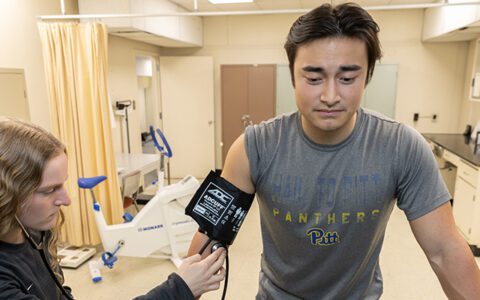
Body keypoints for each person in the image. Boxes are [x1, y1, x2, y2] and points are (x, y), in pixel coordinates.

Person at [188, 2, 480, 299]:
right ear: (292, 76)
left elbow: (445, 251)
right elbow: (210, 237)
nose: (330, 96)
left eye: (347, 78)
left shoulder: (402, 147)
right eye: (314, 78)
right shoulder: (253, 148)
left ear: (366, 76)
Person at [0, 117, 226, 300]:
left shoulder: (35, 232)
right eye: (50, 190)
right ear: (7, 194)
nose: (67, 200)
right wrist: (180, 288)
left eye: (63, 185)